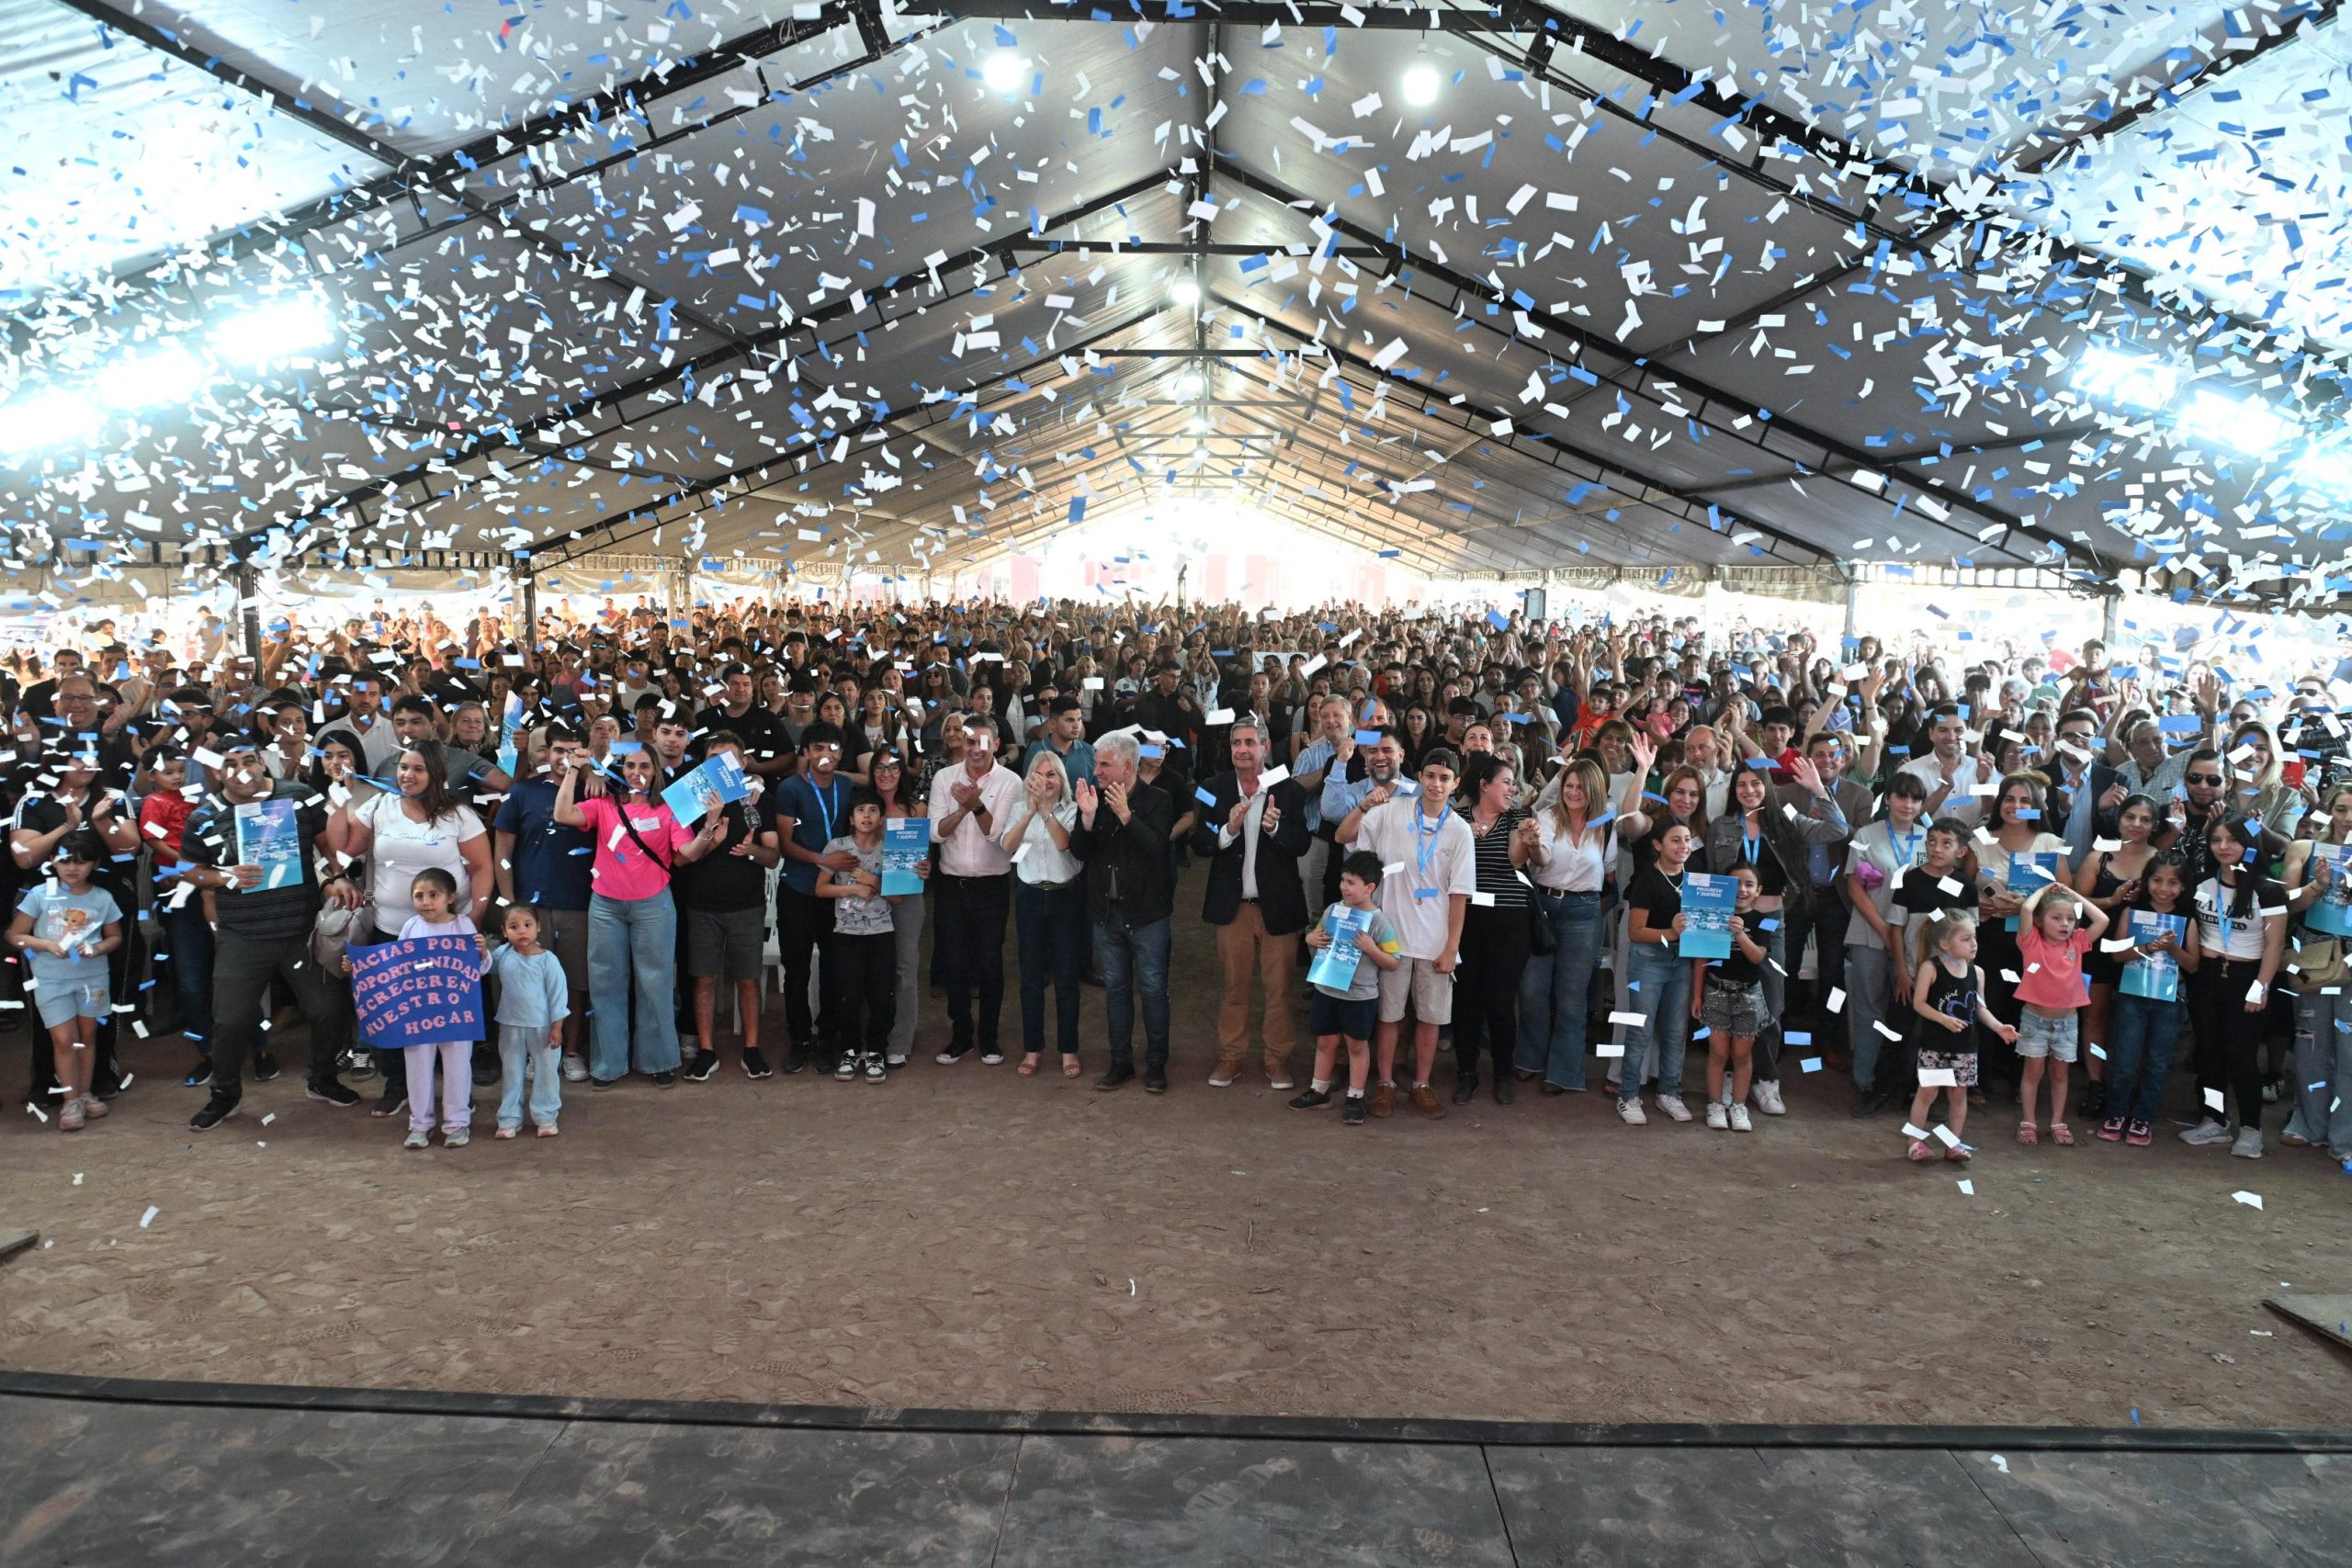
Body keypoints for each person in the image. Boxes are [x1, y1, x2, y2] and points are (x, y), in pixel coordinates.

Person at [179, 740, 364, 1129]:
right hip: (243, 934)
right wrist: (223, 876)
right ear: (216, 772)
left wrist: (339, 876)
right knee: (230, 1020)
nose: (242, 770)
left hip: (302, 929)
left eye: (249, 760)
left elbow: (327, 847)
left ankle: (322, 1079)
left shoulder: (299, 796)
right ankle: (224, 1095)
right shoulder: (204, 816)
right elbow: (189, 870)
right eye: (230, 764)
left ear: (263, 762)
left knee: (329, 1009)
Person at [324, 744, 493, 1115]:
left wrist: (474, 919)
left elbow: (482, 867)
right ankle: (397, 1086)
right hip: (391, 928)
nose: (407, 775)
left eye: (418, 769)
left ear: (434, 774)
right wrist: (340, 799)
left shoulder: (459, 815)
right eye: (403, 767)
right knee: (395, 1011)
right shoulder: (379, 806)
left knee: (448, 1015)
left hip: (447, 933)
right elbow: (344, 849)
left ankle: (457, 1093)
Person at [553, 743, 724, 1089]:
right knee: (606, 985)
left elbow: (688, 853)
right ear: (621, 769)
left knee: (655, 984)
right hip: (606, 906)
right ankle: (608, 1065)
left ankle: (658, 1061)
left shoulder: (669, 810)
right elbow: (563, 815)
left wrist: (709, 824)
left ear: (655, 771)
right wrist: (573, 769)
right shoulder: (605, 804)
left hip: (653, 907)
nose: (636, 772)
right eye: (630, 765)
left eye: (644, 766)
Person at [1337, 748, 1474, 1121]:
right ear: (1420, 778)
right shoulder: (1392, 811)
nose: (1436, 784)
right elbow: (1342, 835)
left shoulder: (1460, 830)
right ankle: (1384, 1083)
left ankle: (1421, 1085)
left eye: (1444, 778)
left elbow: (1459, 895)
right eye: (1430, 775)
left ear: (1456, 784)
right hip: (1390, 939)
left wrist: (1451, 947)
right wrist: (1364, 805)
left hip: (1434, 942)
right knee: (1389, 1016)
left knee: (1430, 1018)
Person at [1193, 717, 1313, 1089]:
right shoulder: (1211, 788)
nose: (1242, 750)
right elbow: (1199, 839)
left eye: (1249, 742)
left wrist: (1276, 829)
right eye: (1236, 743)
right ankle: (1231, 1057)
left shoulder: (1289, 789)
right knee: (1234, 987)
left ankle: (1276, 1060)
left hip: (1279, 906)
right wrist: (1226, 830)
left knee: (1279, 990)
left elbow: (1303, 843)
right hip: (1233, 908)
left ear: (1265, 747)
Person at [1069, 732, 1177, 1092]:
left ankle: (1156, 1064)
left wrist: (1127, 816)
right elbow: (1081, 852)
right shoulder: (1095, 799)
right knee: (1116, 990)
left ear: (1128, 766)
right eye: (1097, 763)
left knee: (1153, 990)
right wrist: (1087, 818)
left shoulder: (1159, 800)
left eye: (1104, 764)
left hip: (1148, 916)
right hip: (1107, 914)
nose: (1096, 771)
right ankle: (1121, 1063)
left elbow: (1156, 848)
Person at [672, 733, 780, 1081]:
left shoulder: (758, 799)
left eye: (728, 759)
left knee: (748, 979)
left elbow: (773, 856)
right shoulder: (690, 801)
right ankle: (706, 1051)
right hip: (701, 905)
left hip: (747, 905)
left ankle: (752, 1049)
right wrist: (709, 830)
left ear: (743, 763)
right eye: (712, 759)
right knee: (704, 979)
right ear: (703, 764)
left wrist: (751, 850)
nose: (719, 766)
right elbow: (680, 859)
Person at [492, 725, 596, 1083]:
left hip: (580, 903)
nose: (565, 757)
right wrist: (509, 903)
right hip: (531, 910)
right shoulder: (522, 792)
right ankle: (538, 1053)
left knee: (575, 983)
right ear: (547, 752)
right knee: (531, 984)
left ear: (584, 753)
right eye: (558, 750)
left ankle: (571, 1050)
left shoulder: (593, 790)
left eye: (574, 751)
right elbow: (502, 853)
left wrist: (593, 774)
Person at [2181, 813, 2287, 1158]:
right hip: (2206, 977)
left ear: (2248, 844)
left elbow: (2275, 945)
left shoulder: (2268, 889)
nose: (2223, 847)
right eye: (2216, 840)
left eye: (2232, 840)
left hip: (2248, 978)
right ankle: (2215, 1120)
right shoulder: (2201, 883)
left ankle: (2252, 1128)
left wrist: (2262, 986)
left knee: (2241, 1057)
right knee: (2209, 1054)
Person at [8, 830, 122, 1132]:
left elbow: (115, 937)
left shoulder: (103, 898)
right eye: (65, 861)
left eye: (81, 862)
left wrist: (97, 948)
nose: (72, 868)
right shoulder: (39, 895)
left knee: (88, 1036)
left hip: (93, 978)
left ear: (95, 864)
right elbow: (15, 935)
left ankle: (84, 1093)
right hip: (50, 979)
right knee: (63, 1039)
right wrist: (46, 944)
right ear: (52, 862)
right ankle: (70, 1099)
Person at [926, 716, 1022, 1065]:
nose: (975, 750)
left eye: (983, 743)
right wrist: (965, 807)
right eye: (970, 742)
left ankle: (989, 1037)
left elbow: (999, 836)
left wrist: (976, 806)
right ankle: (961, 1034)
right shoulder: (944, 778)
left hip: (992, 886)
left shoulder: (1011, 781)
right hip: (951, 885)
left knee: (990, 961)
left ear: (996, 744)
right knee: (954, 962)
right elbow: (935, 833)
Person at [1519, 754, 1611, 1097]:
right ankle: (1530, 1058)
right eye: (1568, 785)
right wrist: (1533, 846)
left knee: (1571, 998)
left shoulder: (1606, 823)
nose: (1572, 792)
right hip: (1543, 906)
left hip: (1584, 913)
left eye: (1580, 787)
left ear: (1594, 789)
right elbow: (1541, 859)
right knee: (1532, 990)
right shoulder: (1546, 816)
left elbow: (1610, 872)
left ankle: (1564, 1072)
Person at [1450, 752, 1536, 1105]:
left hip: (1509, 921)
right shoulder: (1456, 819)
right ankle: (1466, 1073)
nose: (1513, 789)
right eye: (1506, 782)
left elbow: (1516, 860)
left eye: (1515, 783)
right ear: (1484, 785)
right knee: (1465, 1000)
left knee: (1501, 1002)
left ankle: (1502, 1074)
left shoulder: (1518, 817)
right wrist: (1462, 836)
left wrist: (1526, 837)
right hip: (1465, 919)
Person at [1294, 850, 1403, 1124]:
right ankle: (1319, 1090)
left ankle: (1356, 1096)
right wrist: (1310, 939)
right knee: (1325, 1041)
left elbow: (1393, 961)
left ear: (1370, 887)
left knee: (1357, 1045)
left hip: (1359, 996)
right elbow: (1316, 935)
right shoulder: (1333, 910)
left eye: (1351, 882)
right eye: (1343, 880)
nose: (1344, 887)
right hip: (1326, 990)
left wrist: (1371, 948)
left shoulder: (1379, 922)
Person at [2098, 852, 2199, 1146]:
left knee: (2158, 1062)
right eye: (2157, 880)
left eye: (2173, 883)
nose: (2164, 889)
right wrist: (2147, 947)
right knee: (2124, 1059)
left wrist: (2172, 949)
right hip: (2132, 996)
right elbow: (2117, 954)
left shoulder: (2186, 919)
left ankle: (2143, 1118)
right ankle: (2116, 1113)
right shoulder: (2133, 911)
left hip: (2169, 1000)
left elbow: (2193, 965)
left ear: (2183, 886)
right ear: (2146, 881)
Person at [1905, 912, 2018, 1165]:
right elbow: (1919, 1004)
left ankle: (1952, 1144)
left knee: (1958, 1096)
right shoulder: (1931, 968)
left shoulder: (1977, 972)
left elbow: (1980, 1008)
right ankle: (1914, 1142)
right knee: (1927, 1094)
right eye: (1966, 939)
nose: (1974, 943)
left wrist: (1999, 1027)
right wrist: (1943, 1019)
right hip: (1935, 1046)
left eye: (1974, 937)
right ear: (1945, 943)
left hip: (1965, 1047)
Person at [772, 720, 853, 1072]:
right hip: (799, 889)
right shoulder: (790, 788)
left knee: (835, 968)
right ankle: (800, 1039)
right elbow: (786, 844)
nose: (825, 754)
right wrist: (824, 859)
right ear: (805, 752)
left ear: (841, 753)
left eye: (832, 748)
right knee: (797, 970)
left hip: (836, 893)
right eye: (818, 748)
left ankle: (828, 1038)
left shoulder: (846, 786)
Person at [1001, 749, 1086, 1078]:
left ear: (1061, 779)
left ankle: (1068, 1050)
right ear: (1030, 779)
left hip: (1066, 897)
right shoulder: (1018, 808)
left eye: (1052, 775)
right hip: (1030, 897)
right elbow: (1008, 846)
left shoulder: (1075, 810)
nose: (1046, 781)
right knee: (1031, 978)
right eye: (1039, 774)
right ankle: (1033, 1049)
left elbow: (1065, 844)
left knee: (1067, 978)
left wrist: (1047, 812)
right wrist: (1030, 811)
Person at [383, 866, 481, 1150]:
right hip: (418, 1012)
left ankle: (457, 1123)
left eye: (433, 895)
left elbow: (477, 969)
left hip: (457, 1013)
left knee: (458, 1068)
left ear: (450, 897)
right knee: (417, 1069)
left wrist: (482, 954)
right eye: (419, 896)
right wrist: (361, 967)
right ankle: (419, 1124)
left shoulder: (463, 925)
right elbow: (396, 967)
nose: (425, 902)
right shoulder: (411, 927)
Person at [2280, 782, 2352, 1158]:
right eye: (2341, 809)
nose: (2349, 818)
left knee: (2350, 1050)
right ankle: (2308, 1123)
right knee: (2310, 1042)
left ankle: (2345, 1138)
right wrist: (2318, 885)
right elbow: (2286, 903)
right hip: (2313, 951)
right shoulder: (2304, 848)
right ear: (2329, 811)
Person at [2012, 883, 2108, 1147]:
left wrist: (2073, 895)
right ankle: (2028, 1121)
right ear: (2040, 921)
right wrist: (2045, 891)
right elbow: (2026, 908)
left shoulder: (2077, 942)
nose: (2064, 923)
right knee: (2033, 1072)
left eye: (2070, 918)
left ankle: (2057, 1122)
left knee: (2060, 1074)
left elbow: (2103, 920)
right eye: (2056, 917)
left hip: (2068, 1023)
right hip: (2034, 1021)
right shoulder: (2031, 941)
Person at [1620, 818, 1700, 1125]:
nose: (1683, 846)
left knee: (1676, 1032)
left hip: (1681, 962)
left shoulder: (1696, 879)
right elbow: (1636, 932)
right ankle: (1628, 1095)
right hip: (1648, 960)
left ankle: (1669, 1092)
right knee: (1640, 1030)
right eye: (1675, 840)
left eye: (1687, 839)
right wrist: (1671, 932)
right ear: (1657, 845)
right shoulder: (1647, 879)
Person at [816, 786, 895, 1083]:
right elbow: (821, 888)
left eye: (873, 810)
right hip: (846, 933)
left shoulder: (890, 850)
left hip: (881, 932)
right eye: (860, 810)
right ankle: (849, 1050)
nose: (867, 816)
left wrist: (871, 880)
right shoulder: (837, 847)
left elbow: (898, 897)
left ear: (882, 818)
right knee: (847, 994)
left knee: (881, 996)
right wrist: (853, 889)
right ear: (851, 818)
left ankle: (876, 1051)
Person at [1692, 864, 1767, 1132]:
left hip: (1748, 995)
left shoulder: (1764, 920)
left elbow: (1757, 957)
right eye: (1735, 884)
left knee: (1742, 1054)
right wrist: (1697, 995)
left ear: (1758, 890)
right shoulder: (1712, 916)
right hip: (1716, 992)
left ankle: (1738, 1105)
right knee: (1718, 1052)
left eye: (1749, 884)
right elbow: (1701, 958)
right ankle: (1715, 1103)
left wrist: (1739, 933)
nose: (1742, 890)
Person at [868, 749, 928, 1069]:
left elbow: (923, 854)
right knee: (871, 968)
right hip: (868, 894)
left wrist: (926, 866)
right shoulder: (862, 806)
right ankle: (870, 1038)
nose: (886, 774)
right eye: (880, 768)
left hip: (907, 896)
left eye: (893, 768)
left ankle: (900, 1041)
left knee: (904, 968)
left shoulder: (917, 808)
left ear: (902, 772)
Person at [488, 904, 568, 1137]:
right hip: (510, 1025)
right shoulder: (503, 954)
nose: (521, 931)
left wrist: (557, 1026)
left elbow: (558, 994)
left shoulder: (548, 960)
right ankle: (509, 1118)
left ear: (538, 927)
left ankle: (546, 1116)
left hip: (543, 1026)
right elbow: (484, 967)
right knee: (511, 1071)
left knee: (546, 1072)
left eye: (527, 925)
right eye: (514, 927)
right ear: (504, 931)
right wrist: (482, 952)